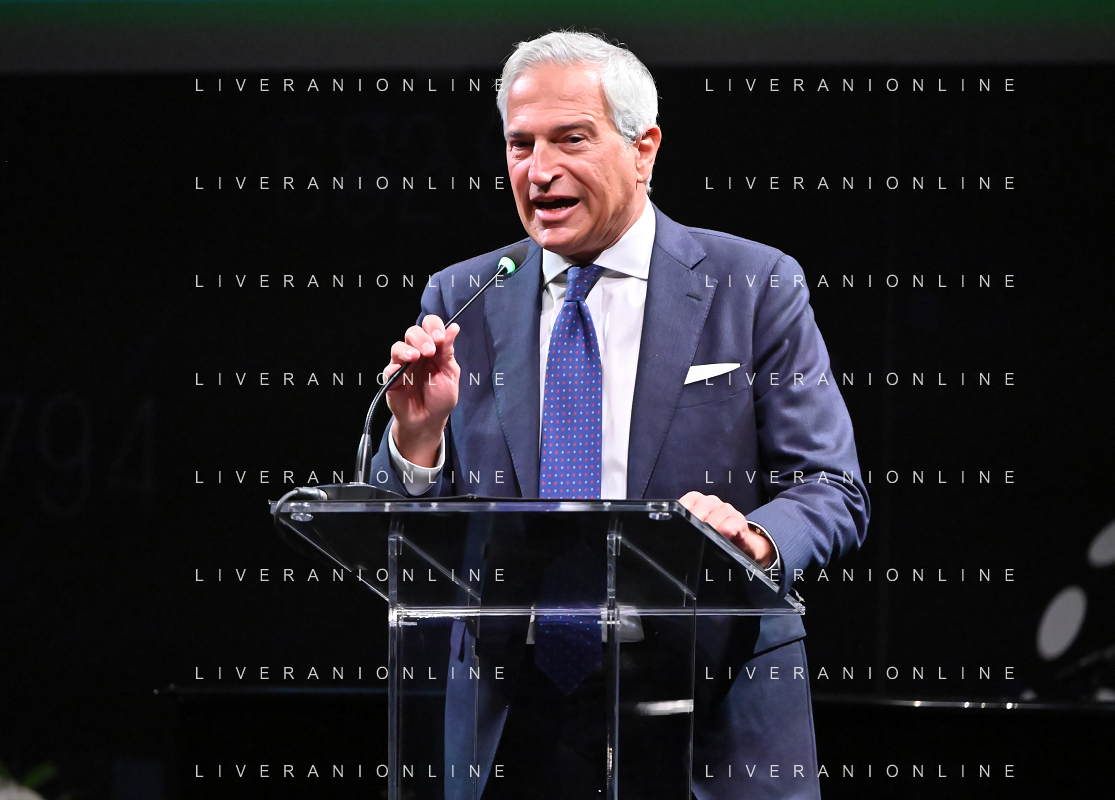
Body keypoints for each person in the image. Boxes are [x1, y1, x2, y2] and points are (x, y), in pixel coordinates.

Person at [371, 30, 869, 800]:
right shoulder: (464, 296)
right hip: (517, 717)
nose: (539, 170)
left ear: (644, 150)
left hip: (705, 704)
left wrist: (755, 539)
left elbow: (830, 489)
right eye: (520, 144)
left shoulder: (753, 284)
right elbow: (400, 533)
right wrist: (417, 435)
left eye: (571, 139)